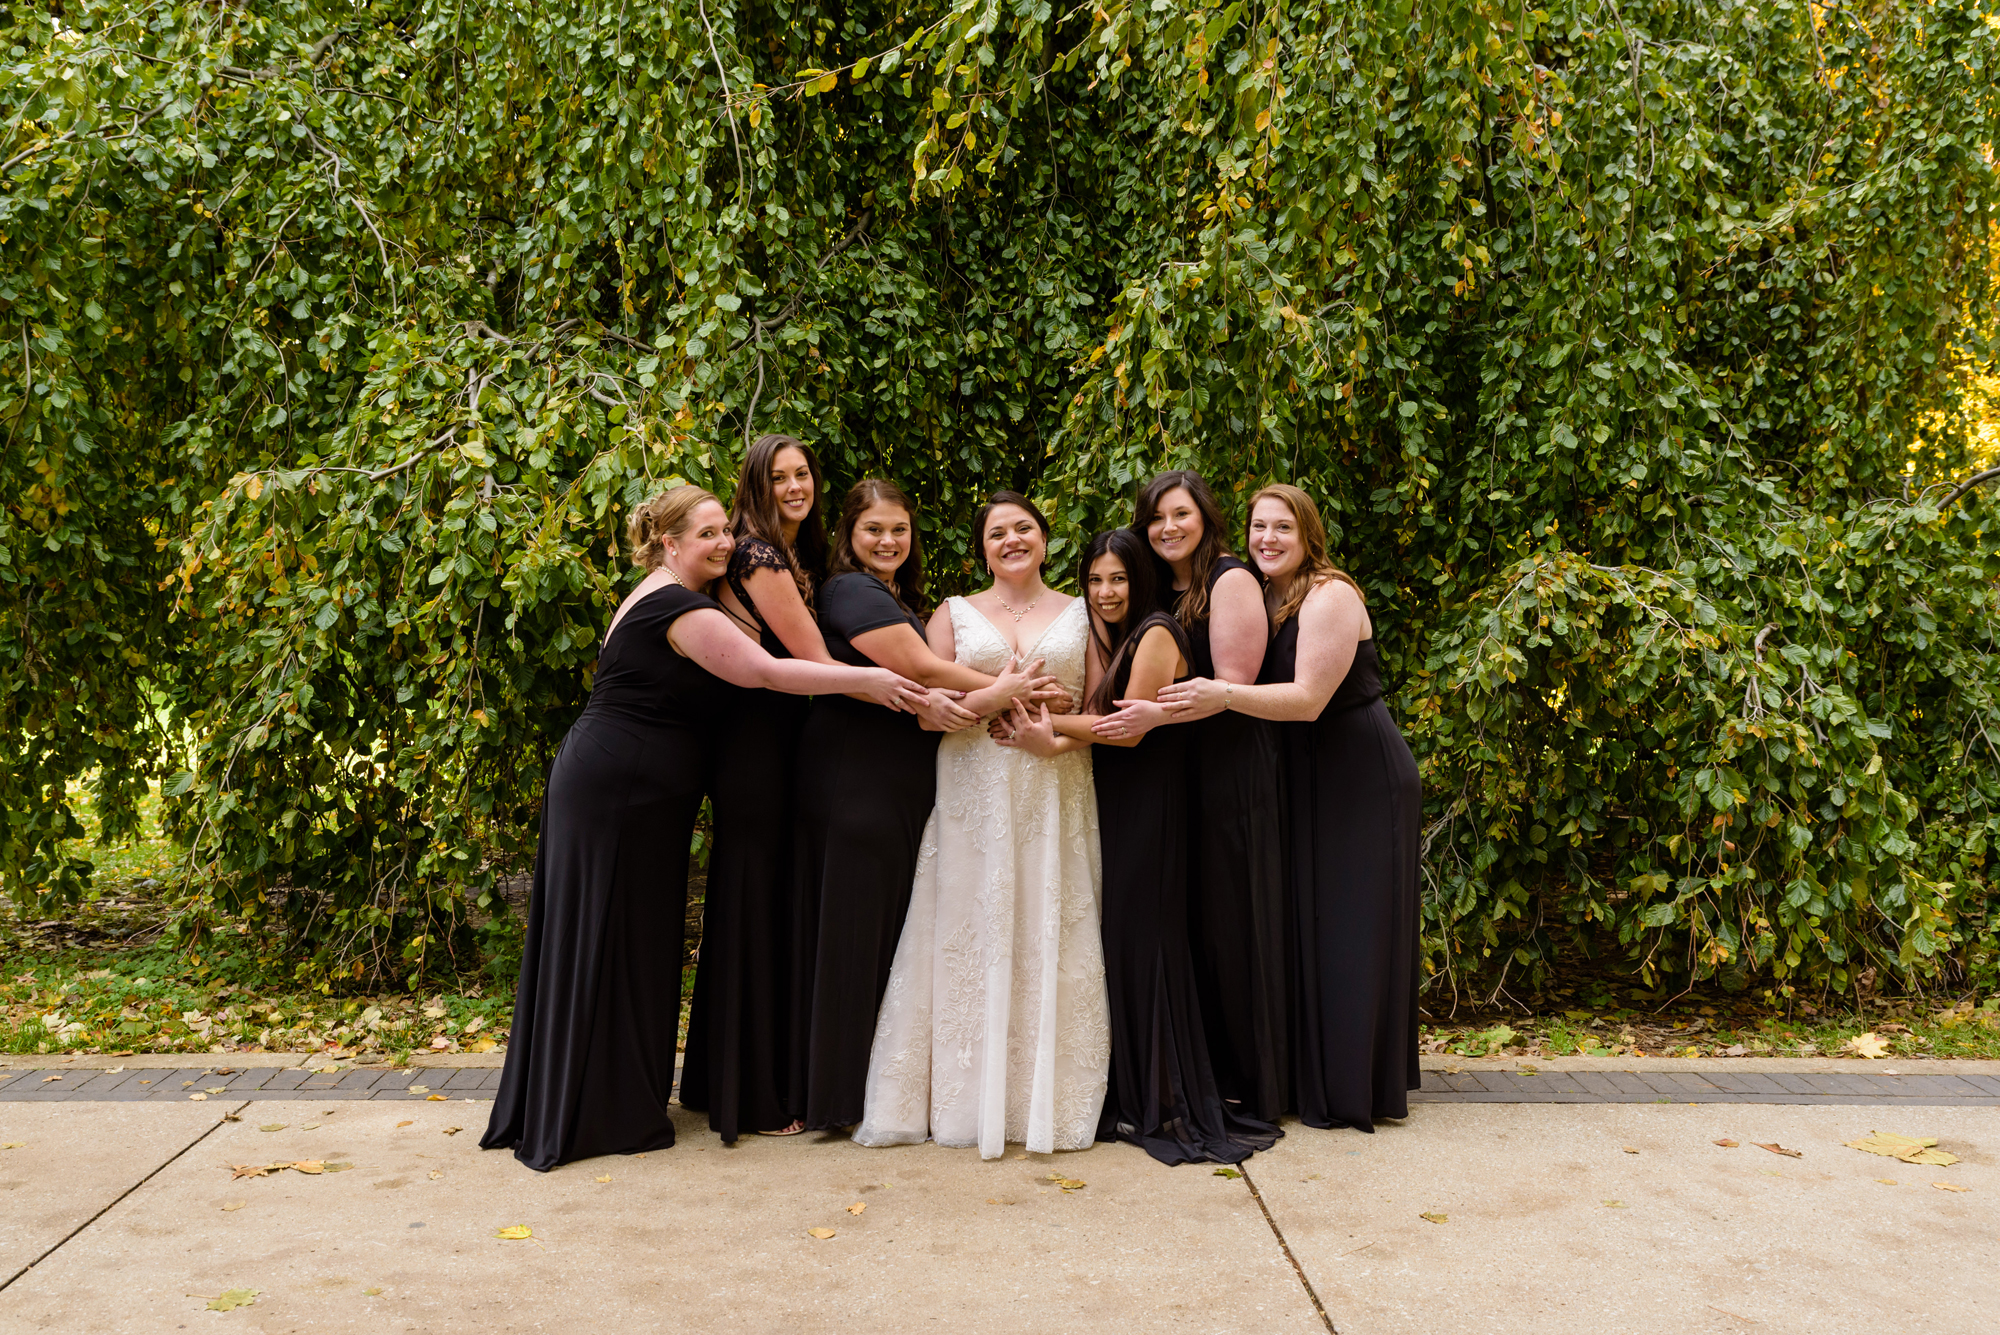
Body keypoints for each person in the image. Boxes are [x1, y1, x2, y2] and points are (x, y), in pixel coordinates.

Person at [481, 486, 924, 1172]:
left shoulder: (662, 592)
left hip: (625, 786)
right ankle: (600, 1109)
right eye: (710, 534)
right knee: (610, 933)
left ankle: (590, 1096)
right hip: (621, 788)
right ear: (670, 542)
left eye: (726, 531)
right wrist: (865, 682)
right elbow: (766, 672)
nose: (725, 543)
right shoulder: (678, 605)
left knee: (619, 935)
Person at [995, 529, 1282, 1166]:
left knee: (1147, 940)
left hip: (1152, 802)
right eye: (1094, 580)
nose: (1103, 591)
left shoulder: (1156, 632)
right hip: (1124, 799)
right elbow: (1104, 727)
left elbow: (1125, 727)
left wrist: (1036, 722)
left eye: (1116, 579)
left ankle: (1165, 1099)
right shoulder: (1124, 635)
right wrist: (1056, 734)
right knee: (1127, 938)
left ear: (1140, 580)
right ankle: (1135, 1090)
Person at [1156, 484, 1421, 1131]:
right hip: (1305, 773)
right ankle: (1311, 1076)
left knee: (1350, 931)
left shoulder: (1331, 595)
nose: (1267, 538)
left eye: (1282, 528)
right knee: (1310, 925)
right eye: (1258, 527)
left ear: (1308, 536)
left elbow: (1305, 698)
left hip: (1358, 773)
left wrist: (1218, 694)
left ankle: (1354, 1086)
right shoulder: (1268, 594)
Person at [789, 478, 1049, 1133]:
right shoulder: (849, 590)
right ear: (849, 533)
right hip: (859, 779)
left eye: (899, 529)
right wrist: (1004, 686)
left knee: (883, 936)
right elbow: (919, 667)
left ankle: (866, 1086)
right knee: (854, 932)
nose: (887, 540)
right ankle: (835, 1100)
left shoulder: (895, 597)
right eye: (873, 529)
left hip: (896, 783)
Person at [856, 492, 1110, 1159]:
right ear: (982, 546)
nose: (1012, 539)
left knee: (1050, 925)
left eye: (1024, 527)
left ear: (1046, 539)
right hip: (973, 789)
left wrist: (1057, 717)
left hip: (1054, 784)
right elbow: (925, 709)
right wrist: (996, 696)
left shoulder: (1082, 612)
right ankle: (966, 1100)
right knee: (970, 929)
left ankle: (1047, 1100)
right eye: (998, 532)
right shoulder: (953, 614)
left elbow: (1102, 703)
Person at [1095, 471, 1289, 1122]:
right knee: (1196, 925)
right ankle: (1199, 1066)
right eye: (1156, 517)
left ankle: (1253, 1080)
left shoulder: (1229, 580)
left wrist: (1147, 717)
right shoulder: (1157, 588)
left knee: (1235, 922)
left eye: (1180, 513)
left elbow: (1231, 688)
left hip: (1229, 767)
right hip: (1179, 771)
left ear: (1205, 516)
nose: (1167, 527)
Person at [682, 433, 836, 1142]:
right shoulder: (759, 553)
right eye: (780, 477)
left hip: (768, 738)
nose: (795, 486)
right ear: (757, 485)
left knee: (754, 898)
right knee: (754, 899)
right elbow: (814, 657)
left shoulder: (778, 550)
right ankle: (755, 1096)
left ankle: (727, 1081)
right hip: (756, 740)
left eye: (802, 473)